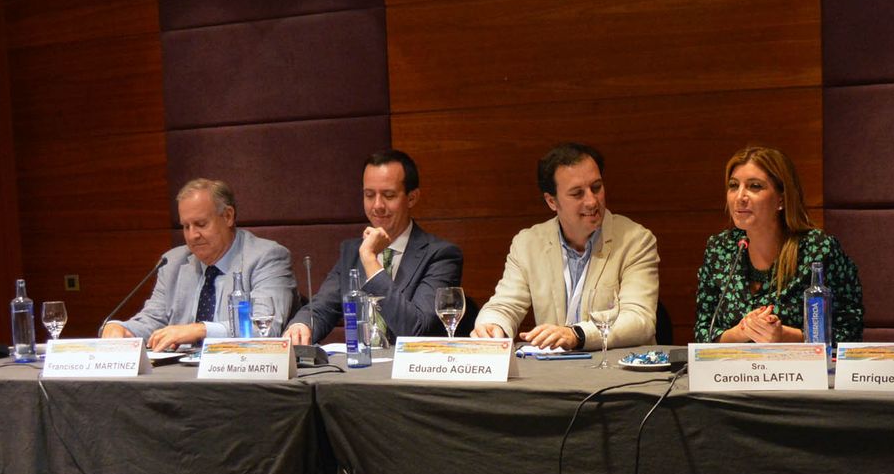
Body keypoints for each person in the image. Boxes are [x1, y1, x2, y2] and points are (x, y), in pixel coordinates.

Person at [472, 143, 659, 349]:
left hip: (616, 372)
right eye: (577, 193)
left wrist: (577, 334)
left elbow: (639, 320)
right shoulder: (528, 244)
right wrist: (492, 326)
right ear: (552, 201)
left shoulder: (636, 240)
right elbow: (504, 305)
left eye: (596, 188)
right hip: (555, 374)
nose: (592, 201)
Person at [283, 150, 462, 345]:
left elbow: (416, 329)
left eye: (388, 195)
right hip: (362, 370)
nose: (377, 205)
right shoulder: (351, 252)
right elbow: (323, 307)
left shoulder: (440, 255)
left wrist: (370, 260)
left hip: (410, 371)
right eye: (369, 195)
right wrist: (302, 325)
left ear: (412, 198)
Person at [693, 146, 863, 344]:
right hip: (733, 372)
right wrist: (742, 331)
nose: (739, 197)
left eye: (754, 186)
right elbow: (703, 333)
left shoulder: (818, 249)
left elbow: (849, 331)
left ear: (781, 198)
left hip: (800, 372)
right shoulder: (720, 249)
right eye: (733, 186)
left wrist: (784, 336)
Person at [101, 178, 296, 350]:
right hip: (181, 378)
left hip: (241, 375)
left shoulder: (266, 257)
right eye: (186, 226)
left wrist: (200, 330)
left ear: (228, 216)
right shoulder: (172, 263)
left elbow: (265, 328)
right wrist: (123, 329)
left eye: (201, 224)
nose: (192, 235)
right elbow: (154, 319)